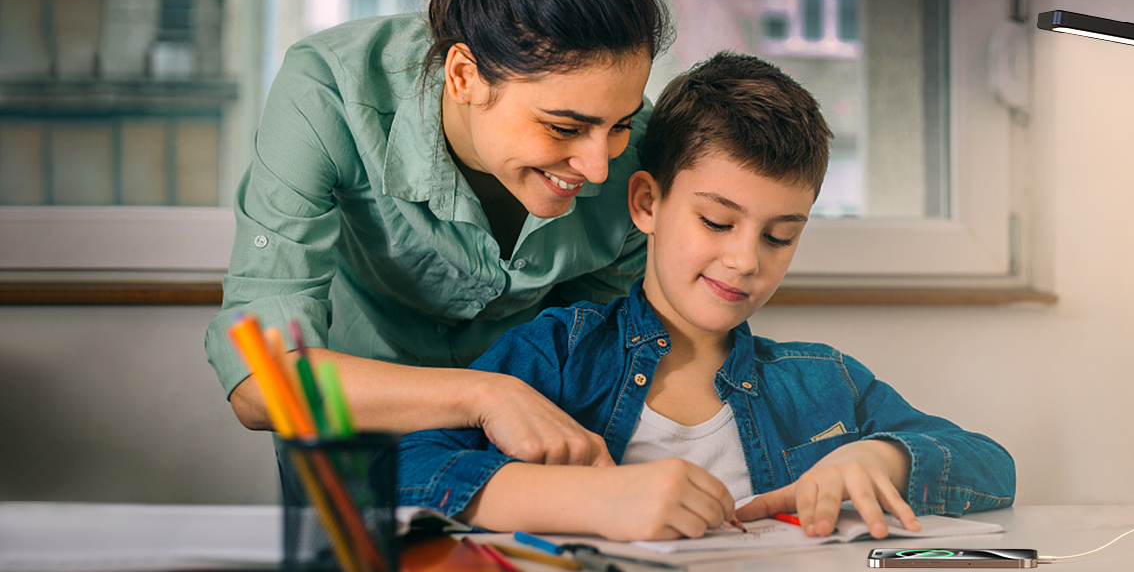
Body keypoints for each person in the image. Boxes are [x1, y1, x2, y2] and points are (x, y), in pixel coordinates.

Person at [395, 53, 1017, 541]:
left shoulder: (824, 383)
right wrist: (591, 501)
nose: (746, 260)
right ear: (647, 203)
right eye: (717, 223)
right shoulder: (557, 357)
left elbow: (991, 466)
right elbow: (401, 474)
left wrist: (883, 459)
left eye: (779, 237)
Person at [204, 0, 671, 466]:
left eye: (619, 124)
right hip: (355, 442)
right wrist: (485, 396)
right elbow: (261, 381)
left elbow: (600, 359)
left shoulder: (636, 154)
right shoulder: (327, 89)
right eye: (563, 127)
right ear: (464, 75)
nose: (599, 165)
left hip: (533, 455)